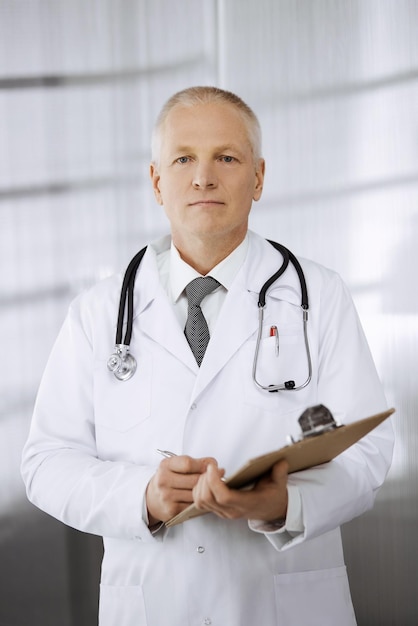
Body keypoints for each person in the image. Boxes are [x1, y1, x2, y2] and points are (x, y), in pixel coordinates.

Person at [21, 86, 394, 626]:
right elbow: (45, 463)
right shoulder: (98, 313)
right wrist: (142, 497)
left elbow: (366, 448)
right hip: (153, 604)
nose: (203, 177)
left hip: (283, 605)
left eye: (226, 157)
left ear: (259, 177)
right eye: (183, 159)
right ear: (156, 181)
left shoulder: (319, 295)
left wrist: (284, 505)